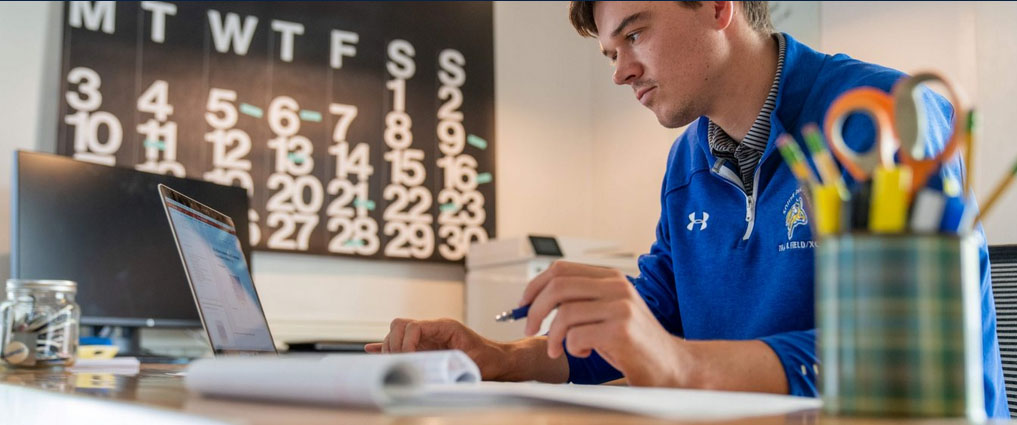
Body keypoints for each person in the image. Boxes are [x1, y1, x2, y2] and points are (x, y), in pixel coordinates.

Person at [366, 1, 1008, 417]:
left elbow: (904, 355)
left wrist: (681, 364)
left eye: (635, 34)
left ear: (718, 7)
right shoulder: (687, 160)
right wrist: (501, 358)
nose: (621, 72)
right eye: (612, 52)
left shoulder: (879, 112)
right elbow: (654, 317)